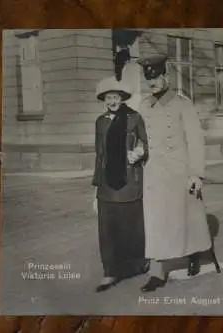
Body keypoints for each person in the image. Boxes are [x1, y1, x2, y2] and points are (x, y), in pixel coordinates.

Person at [136, 55, 212, 292]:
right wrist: (137, 151)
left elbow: (196, 141)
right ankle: (157, 272)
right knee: (155, 222)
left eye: (156, 77)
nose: (153, 82)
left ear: (165, 76)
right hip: (153, 173)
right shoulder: (144, 106)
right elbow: (139, 138)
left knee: (186, 219)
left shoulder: (182, 104)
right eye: (149, 78)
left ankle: (193, 256)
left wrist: (196, 174)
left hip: (179, 173)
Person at [92, 76, 150, 292]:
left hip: (129, 183)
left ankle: (136, 263)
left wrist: (140, 152)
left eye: (116, 97)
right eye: (108, 97)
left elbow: (146, 142)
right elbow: (99, 155)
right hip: (106, 184)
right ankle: (110, 272)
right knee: (106, 230)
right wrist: (95, 190)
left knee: (131, 227)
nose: (112, 101)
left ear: (122, 98)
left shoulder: (134, 118)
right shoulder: (100, 122)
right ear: (104, 100)